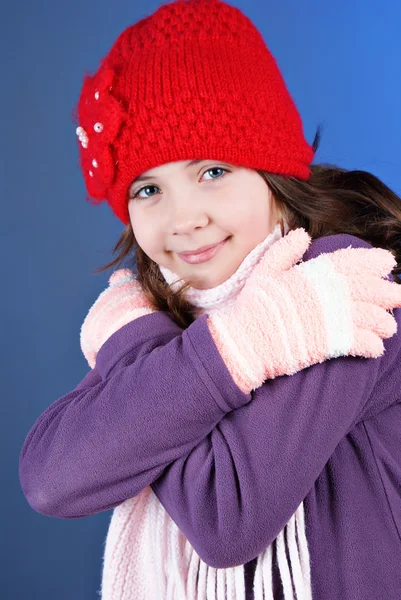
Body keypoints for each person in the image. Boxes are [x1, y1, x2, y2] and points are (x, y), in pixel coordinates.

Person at [19, 0, 401, 598]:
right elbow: (52, 479)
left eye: (213, 172)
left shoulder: (341, 287)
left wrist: (135, 346)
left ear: (273, 173)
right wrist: (147, 343)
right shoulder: (173, 320)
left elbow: (228, 516)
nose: (185, 218)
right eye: (149, 188)